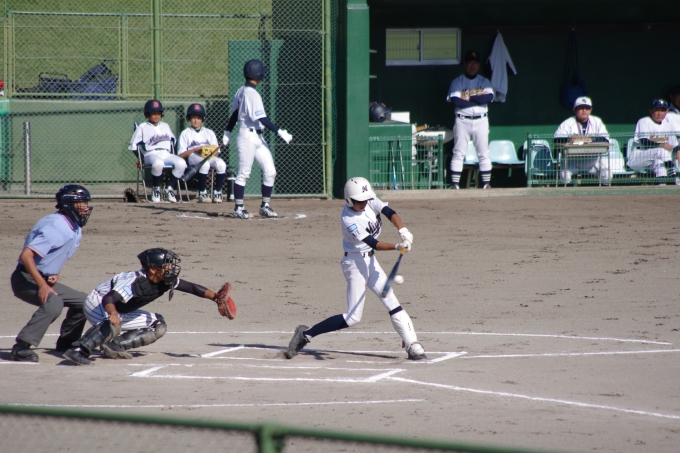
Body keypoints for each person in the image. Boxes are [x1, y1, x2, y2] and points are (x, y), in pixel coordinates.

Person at [284, 177, 426, 361]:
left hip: (370, 261)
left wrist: (403, 230)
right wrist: (397, 246)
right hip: (354, 263)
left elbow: (390, 213)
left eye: (366, 199)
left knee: (391, 300)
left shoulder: (369, 200)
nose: (364, 203)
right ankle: (305, 334)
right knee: (353, 317)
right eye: (360, 201)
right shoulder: (349, 219)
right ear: (349, 200)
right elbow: (373, 243)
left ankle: (412, 344)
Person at [63, 248, 231, 365]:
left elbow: (191, 287)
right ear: (153, 270)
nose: (170, 268)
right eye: (166, 265)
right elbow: (109, 298)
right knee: (114, 324)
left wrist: (216, 298)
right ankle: (78, 350)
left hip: (119, 308)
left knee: (158, 325)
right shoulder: (134, 282)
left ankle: (115, 346)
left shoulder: (165, 279)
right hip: (99, 302)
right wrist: (113, 313)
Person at [10, 185, 93, 362]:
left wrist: (55, 272)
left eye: (85, 203)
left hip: (43, 278)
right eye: (80, 203)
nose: (85, 207)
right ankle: (21, 347)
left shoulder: (74, 226)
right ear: (68, 204)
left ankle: (67, 343)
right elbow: (26, 256)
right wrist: (42, 285)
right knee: (54, 302)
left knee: (86, 302)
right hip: (25, 278)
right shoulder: (56, 227)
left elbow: (57, 254)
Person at [223, 59, 293, 219]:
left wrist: (227, 132)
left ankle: (265, 206)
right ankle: (238, 208)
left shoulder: (241, 90)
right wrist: (280, 132)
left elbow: (235, 114)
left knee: (270, 172)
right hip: (247, 136)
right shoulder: (251, 93)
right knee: (244, 173)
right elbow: (261, 118)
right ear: (258, 75)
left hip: (257, 136)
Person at [446, 50, 494, 190]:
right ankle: (455, 185)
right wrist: (477, 99)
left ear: (479, 65)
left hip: (481, 120)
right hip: (462, 120)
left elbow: (488, 98)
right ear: (464, 64)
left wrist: (468, 98)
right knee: (458, 152)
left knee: (483, 153)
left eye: (475, 63)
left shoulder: (484, 81)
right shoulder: (457, 82)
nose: (472, 66)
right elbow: (456, 101)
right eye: (470, 63)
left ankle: (486, 184)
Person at [129, 100, 186, 203]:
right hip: (150, 154)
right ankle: (156, 189)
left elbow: (173, 141)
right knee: (158, 163)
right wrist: (141, 159)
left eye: (158, 113)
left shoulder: (165, 126)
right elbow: (133, 146)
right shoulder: (142, 127)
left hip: (166, 153)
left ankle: (169, 188)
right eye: (153, 113)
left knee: (182, 163)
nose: (156, 115)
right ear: (147, 114)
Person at [553, 96, 610, 185]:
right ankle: (567, 193)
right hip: (572, 161)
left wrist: (591, 139)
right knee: (564, 176)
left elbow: (606, 139)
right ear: (574, 110)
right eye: (581, 108)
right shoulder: (567, 123)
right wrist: (569, 139)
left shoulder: (597, 122)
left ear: (591, 110)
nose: (584, 110)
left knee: (608, 175)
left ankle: (604, 193)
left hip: (593, 162)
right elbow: (556, 139)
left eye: (587, 108)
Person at [177, 103, 227, 203]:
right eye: (193, 117)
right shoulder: (185, 133)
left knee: (221, 164)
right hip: (193, 156)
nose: (196, 120)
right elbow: (181, 155)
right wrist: (195, 150)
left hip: (209, 156)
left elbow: (217, 153)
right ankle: (202, 192)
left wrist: (206, 150)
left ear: (202, 119)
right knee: (205, 164)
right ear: (189, 118)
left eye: (199, 118)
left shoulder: (209, 132)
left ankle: (217, 192)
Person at [627, 99, 680, 185]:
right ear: (651, 111)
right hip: (638, 158)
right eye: (656, 110)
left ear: (667, 111)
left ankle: (662, 186)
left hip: (655, 160)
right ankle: (673, 176)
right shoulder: (644, 121)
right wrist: (661, 144)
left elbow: (675, 145)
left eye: (662, 110)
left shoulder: (668, 125)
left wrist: (678, 151)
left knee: (659, 163)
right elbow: (644, 142)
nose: (660, 113)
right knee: (661, 150)